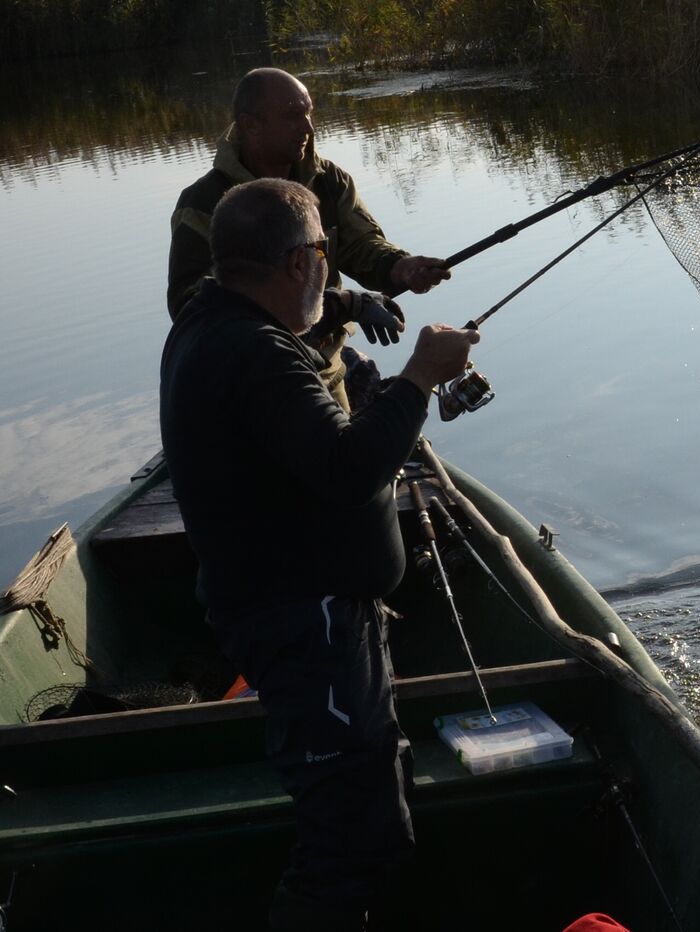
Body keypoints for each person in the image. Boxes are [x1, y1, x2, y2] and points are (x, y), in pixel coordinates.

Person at [160, 177, 479, 931]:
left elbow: (303, 426)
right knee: (351, 842)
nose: (332, 278)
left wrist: (352, 307)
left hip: (312, 618)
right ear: (302, 261)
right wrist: (418, 380)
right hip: (307, 628)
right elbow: (345, 471)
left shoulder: (215, 319)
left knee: (376, 810)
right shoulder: (257, 354)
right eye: (327, 266)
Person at [167, 66, 451, 410]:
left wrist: (400, 267)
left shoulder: (328, 181)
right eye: (292, 116)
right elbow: (190, 305)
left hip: (325, 359)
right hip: (254, 376)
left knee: (357, 450)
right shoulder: (202, 202)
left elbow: (360, 244)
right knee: (339, 454)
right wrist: (344, 304)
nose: (308, 128)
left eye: (308, 113)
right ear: (250, 124)